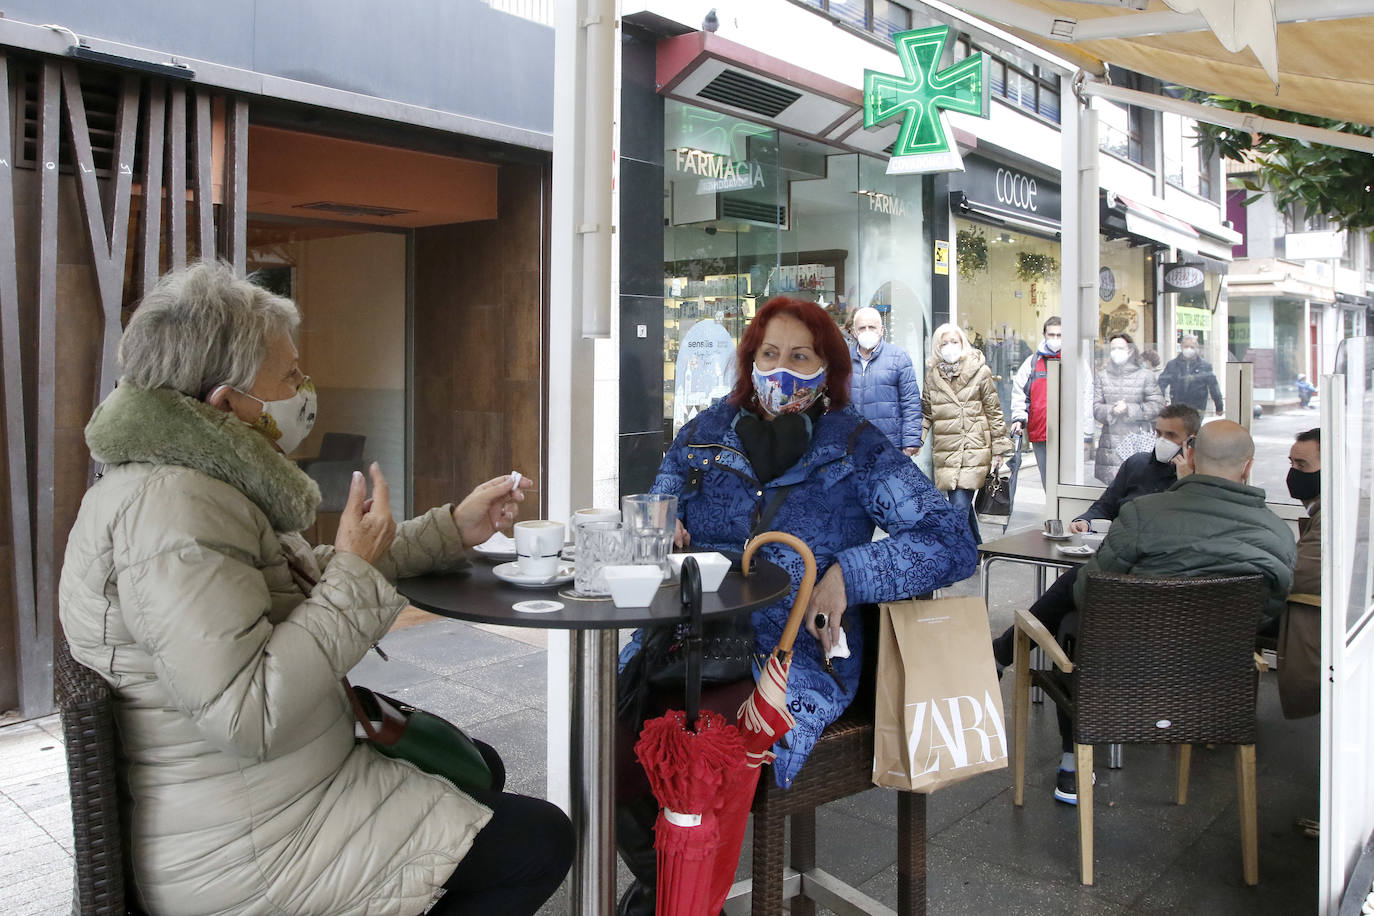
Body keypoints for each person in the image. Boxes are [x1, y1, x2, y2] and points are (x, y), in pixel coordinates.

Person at [57, 263, 573, 916]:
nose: (305, 390)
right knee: (541, 840)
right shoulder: (173, 517)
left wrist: (451, 528)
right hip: (246, 847)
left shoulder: (188, 487)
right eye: (290, 376)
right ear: (227, 403)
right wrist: (355, 573)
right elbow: (249, 713)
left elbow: (303, 581)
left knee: (480, 765)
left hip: (264, 794)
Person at [614, 296, 978, 915]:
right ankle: (665, 889)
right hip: (687, 640)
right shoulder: (704, 435)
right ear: (750, 361)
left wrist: (852, 571)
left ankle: (682, 895)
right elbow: (654, 511)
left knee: (702, 752)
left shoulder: (858, 447)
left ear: (828, 368)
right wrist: (658, 528)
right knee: (615, 735)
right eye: (770, 354)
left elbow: (953, 542)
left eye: (801, 356)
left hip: (794, 656)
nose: (782, 371)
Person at [1050, 420, 1296, 804]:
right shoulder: (1278, 535)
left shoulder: (1143, 516)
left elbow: (1089, 592)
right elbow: (1266, 613)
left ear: (1191, 456)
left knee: (1069, 625)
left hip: (1121, 676)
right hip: (1214, 682)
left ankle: (1072, 764)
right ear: (1248, 466)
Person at [990, 404, 1201, 672]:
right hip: (1120, 566)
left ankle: (1002, 653)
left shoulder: (1199, 481)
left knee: (1074, 584)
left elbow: (1184, 526)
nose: (1161, 441)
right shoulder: (1136, 465)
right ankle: (1025, 661)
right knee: (1072, 597)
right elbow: (1106, 505)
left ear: (1192, 440)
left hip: (1159, 583)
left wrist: (1186, 482)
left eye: (1171, 435)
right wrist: (1084, 521)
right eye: (1157, 432)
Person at [922, 322, 1012, 544]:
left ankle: (951, 558)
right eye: (945, 343)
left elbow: (993, 410)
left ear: (963, 343)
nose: (950, 346)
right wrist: (914, 441)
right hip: (947, 451)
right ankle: (977, 550)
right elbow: (925, 413)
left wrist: (1000, 449)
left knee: (958, 507)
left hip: (974, 448)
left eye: (955, 341)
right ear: (937, 347)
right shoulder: (932, 377)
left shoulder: (980, 371)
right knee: (959, 505)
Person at [1278, 428, 1322, 719]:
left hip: (1313, 621)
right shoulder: (1327, 508)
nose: (1294, 473)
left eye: (1302, 465)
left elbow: (1297, 575)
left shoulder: (1334, 516)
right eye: (1291, 463)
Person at [1091, 332, 1165, 485]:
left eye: (1120, 348)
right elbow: (1096, 407)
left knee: (1136, 486)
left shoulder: (1145, 376)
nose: (1116, 352)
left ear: (1130, 350)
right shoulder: (1102, 376)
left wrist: (1130, 409)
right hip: (1110, 443)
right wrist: (1111, 410)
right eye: (1113, 348)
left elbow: (1157, 405)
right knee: (1112, 491)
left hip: (1138, 440)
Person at [847, 305, 922, 455]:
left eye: (872, 327)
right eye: (862, 328)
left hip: (889, 445)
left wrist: (911, 441)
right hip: (853, 445)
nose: (867, 331)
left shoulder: (898, 357)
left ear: (881, 330)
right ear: (854, 332)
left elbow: (911, 402)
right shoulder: (844, 360)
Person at [1011, 316, 1062, 489]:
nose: (1055, 339)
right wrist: (1019, 418)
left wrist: (1086, 432)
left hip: (1067, 435)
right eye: (1052, 335)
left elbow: (1086, 393)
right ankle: (1052, 514)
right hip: (1040, 432)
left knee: (1066, 479)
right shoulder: (1032, 363)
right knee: (1048, 480)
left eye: (1059, 335)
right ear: (1044, 335)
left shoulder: (1074, 362)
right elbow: (1020, 393)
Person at [1157, 334, 1224, 414]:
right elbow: (1161, 383)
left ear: (1197, 348)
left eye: (1192, 347)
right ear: (1181, 347)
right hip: (1177, 407)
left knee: (1193, 426)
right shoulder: (1172, 365)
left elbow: (1214, 387)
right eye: (1186, 346)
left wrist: (1219, 406)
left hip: (1198, 408)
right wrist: (1161, 401)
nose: (1189, 349)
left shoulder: (1205, 366)